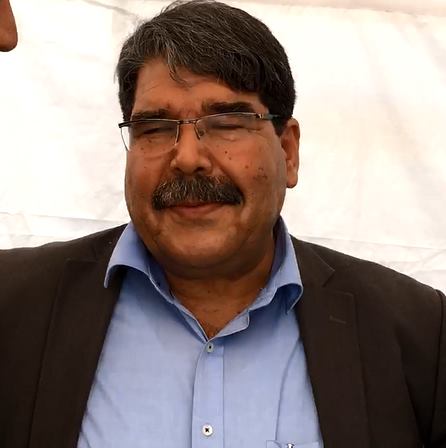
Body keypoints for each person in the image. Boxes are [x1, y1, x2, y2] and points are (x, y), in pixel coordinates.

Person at [1, 0, 445, 447]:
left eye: (227, 123)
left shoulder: (417, 333)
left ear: (288, 151)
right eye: (155, 128)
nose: (187, 158)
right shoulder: (14, 307)